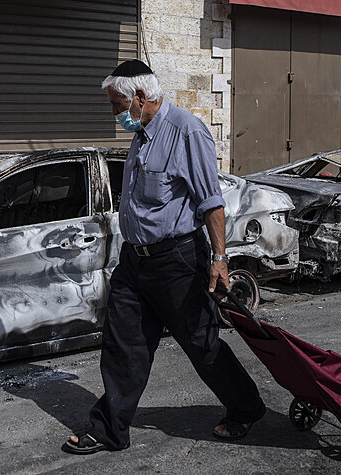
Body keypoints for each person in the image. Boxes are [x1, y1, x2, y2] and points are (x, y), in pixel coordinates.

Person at [62, 60, 265, 455]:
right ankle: (110, 430)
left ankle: (247, 407)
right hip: (134, 262)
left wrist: (219, 259)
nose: (115, 113)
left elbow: (211, 203)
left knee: (201, 345)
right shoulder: (141, 134)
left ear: (140, 97)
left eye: (117, 104)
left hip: (177, 261)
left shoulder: (187, 131)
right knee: (124, 344)